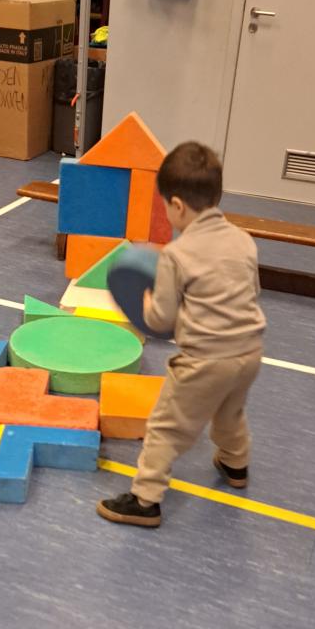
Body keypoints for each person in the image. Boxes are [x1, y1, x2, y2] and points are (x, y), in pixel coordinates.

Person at [97, 141, 266, 528]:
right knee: (229, 411)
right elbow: (251, 292)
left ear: (177, 205)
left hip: (204, 359)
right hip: (250, 353)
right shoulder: (244, 240)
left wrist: (142, 302)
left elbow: (160, 320)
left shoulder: (177, 254)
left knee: (165, 428)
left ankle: (145, 500)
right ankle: (235, 464)